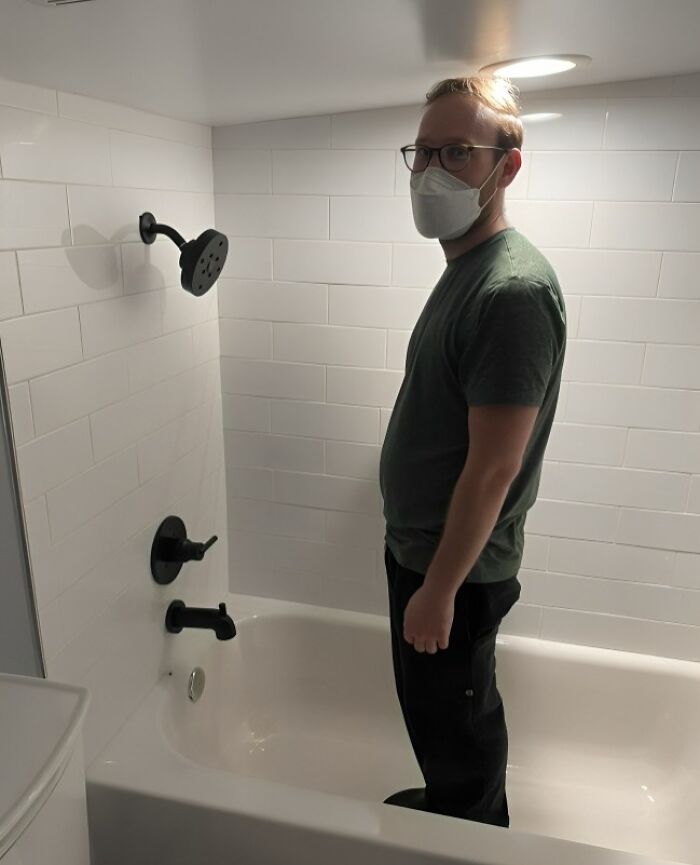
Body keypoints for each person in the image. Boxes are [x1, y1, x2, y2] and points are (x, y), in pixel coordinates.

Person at [379, 75, 567, 828]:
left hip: (450, 568)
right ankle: (451, 805)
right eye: (422, 151)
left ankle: (471, 831)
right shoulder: (469, 270)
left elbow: (494, 468)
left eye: (456, 151)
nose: (430, 170)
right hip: (427, 555)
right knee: (438, 720)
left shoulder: (511, 292)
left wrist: (438, 589)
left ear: (506, 166)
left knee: (459, 730)